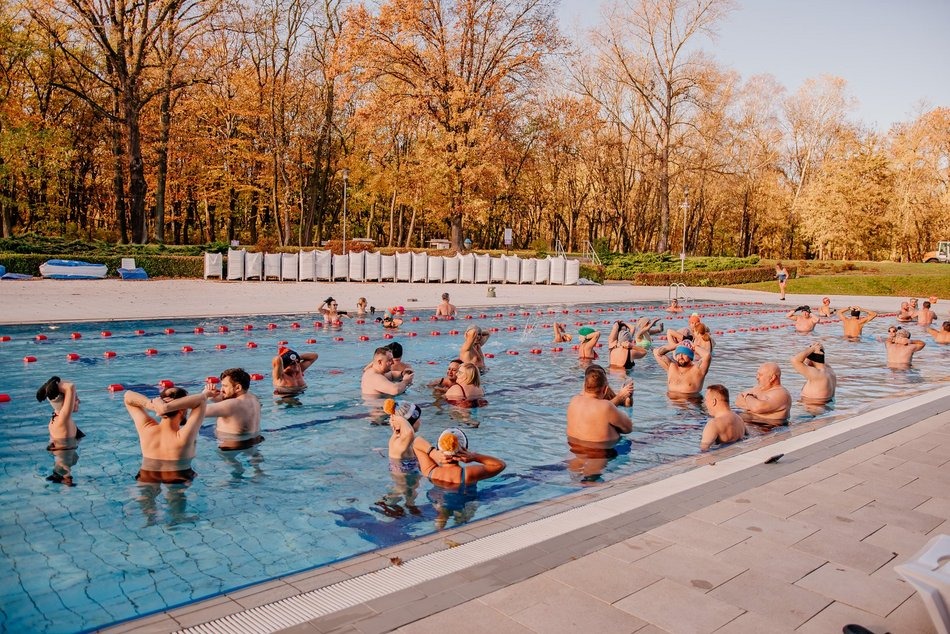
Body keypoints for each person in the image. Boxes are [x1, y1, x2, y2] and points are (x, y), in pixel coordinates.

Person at [124, 386, 208, 483]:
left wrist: (151, 404)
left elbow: (127, 396)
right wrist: (166, 407)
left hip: (147, 475)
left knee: (144, 497)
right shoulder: (184, 436)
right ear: (183, 409)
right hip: (178, 476)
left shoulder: (146, 428)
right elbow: (202, 399)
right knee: (176, 497)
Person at [411, 428, 506, 487]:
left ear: (438, 447)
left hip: (437, 498)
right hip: (463, 501)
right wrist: (475, 457)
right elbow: (500, 465)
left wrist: (432, 452)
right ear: (466, 449)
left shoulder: (430, 471)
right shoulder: (468, 474)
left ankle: (441, 518)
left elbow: (416, 442)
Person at [566, 367, 633, 448]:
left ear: (584, 386)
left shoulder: (574, 401)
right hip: (599, 453)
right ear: (605, 389)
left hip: (574, 448)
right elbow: (628, 428)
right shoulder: (606, 406)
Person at [36, 376, 85, 485]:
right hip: (64, 462)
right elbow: (70, 387)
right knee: (66, 472)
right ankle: (65, 483)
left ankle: (61, 478)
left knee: (64, 464)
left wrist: (49, 386)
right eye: (74, 399)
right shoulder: (63, 419)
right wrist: (53, 384)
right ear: (65, 403)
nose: (79, 401)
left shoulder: (55, 417)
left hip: (62, 456)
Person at [205, 368, 263, 450]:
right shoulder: (253, 398)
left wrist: (204, 395)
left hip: (232, 444)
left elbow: (200, 412)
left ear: (238, 388)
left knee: (226, 459)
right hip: (255, 440)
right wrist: (212, 397)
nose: (221, 390)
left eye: (225, 386)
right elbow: (226, 400)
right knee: (254, 459)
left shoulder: (232, 405)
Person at [700, 385, 746, 451]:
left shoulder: (714, 424)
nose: (705, 403)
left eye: (706, 400)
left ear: (714, 401)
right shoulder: (739, 419)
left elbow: (704, 450)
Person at [384, 399, 423, 475]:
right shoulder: (398, 441)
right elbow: (409, 432)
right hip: (403, 485)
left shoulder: (403, 439)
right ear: (409, 422)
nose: (420, 421)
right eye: (418, 418)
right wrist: (397, 418)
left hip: (410, 479)